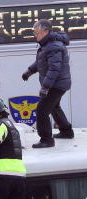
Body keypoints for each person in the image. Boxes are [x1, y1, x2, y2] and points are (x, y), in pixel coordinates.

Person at [22, 19, 73, 147]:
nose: (36, 35)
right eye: (34, 33)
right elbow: (42, 62)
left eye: (37, 33)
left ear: (46, 31)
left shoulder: (53, 45)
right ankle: (66, 131)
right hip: (58, 83)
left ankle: (46, 140)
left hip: (56, 84)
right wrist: (30, 70)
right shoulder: (48, 44)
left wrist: (45, 86)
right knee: (54, 107)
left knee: (42, 110)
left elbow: (54, 69)